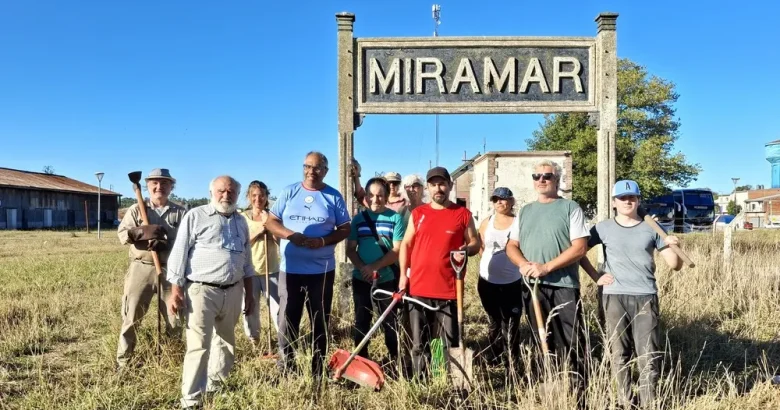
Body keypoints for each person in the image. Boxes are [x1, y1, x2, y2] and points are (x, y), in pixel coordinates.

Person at [579, 180, 683, 409]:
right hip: (614, 296)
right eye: (622, 198)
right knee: (619, 353)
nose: (627, 201)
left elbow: (674, 265)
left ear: (638, 200)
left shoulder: (653, 228)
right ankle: (625, 401)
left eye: (632, 197)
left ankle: (648, 403)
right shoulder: (602, 228)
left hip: (645, 295)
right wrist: (596, 277)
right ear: (614, 202)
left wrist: (674, 244)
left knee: (648, 354)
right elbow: (578, 251)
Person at [166, 175, 255, 409]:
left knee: (225, 343)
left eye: (231, 192)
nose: (226, 195)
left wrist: (250, 295)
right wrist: (176, 290)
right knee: (199, 346)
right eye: (221, 191)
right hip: (201, 291)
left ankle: (217, 387)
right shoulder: (196, 216)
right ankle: (191, 399)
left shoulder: (241, 221)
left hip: (233, 291)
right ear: (211, 193)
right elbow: (179, 253)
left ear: (238, 194)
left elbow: (247, 261)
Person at [505, 159, 590, 401]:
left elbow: (580, 247)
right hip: (532, 287)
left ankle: (578, 393)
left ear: (557, 180)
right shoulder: (525, 211)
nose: (541, 180)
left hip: (563, 285)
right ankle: (549, 386)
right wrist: (523, 264)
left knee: (571, 340)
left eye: (547, 176)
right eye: (537, 176)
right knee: (541, 338)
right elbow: (511, 245)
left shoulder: (570, 207)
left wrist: (547, 267)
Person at [264, 151, 351, 382]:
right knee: (287, 320)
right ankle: (287, 369)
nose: (311, 171)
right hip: (290, 270)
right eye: (307, 166)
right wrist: (290, 235)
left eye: (317, 167)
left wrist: (323, 241)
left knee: (319, 320)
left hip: (321, 271)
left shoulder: (333, 196)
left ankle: (318, 369)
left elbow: (345, 228)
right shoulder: (289, 192)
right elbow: (271, 221)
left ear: (325, 171)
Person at [397, 166, 480, 378]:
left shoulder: (463, 214)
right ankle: (420, 381)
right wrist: (403, 276)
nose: (438, 189)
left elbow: (475, 243)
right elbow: (406, 244)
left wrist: (466, 249)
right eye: (433, 185)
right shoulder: (418, 214)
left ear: (450, 185)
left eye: (442, 184)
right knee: (419, 342)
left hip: (449, 290)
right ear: (427, 187)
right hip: (418, 289)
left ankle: (440, 379)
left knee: (444, 343)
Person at [115, 168, 186, 369]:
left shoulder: (181, 212)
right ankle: (124, 363)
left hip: (171, 271)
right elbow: (122, 235)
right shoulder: (137, 209)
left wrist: (166, 242)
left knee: (175, 318)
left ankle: (173, 360)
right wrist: (140, 233)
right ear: (147, 185)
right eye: (154, 183)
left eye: (164, 183)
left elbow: (188, 241)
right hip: (141, 268)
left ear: (171, 187)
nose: (159, 187)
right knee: (132, 317)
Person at [345, 177, 405, 368]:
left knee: (390, 323)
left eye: (380, 195)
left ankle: (395, 362)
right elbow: (350, 249)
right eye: (371, 195)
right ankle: (361, 362)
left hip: (386, 279)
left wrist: (374, 267)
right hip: (361, 279)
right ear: (366, 197)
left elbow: (397, 250)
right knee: (361, 322)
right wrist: (364, 268)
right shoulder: (358, 220)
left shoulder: (395, 218)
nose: (375, 199)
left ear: (386, 196)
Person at [476, 187, 523, 370]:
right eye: (495, 200)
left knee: (511, 322)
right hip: (487, 281)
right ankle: (494, 357)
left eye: (503, 199)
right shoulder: (487, 222)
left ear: (511, 201)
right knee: (494, 320)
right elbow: (480, 244)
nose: (499, 203)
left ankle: (512, 361)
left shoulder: (518, 222)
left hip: (512, 281)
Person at [239, 180, 281, 344]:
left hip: (271, 269)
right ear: (249, 197)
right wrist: (260, 230)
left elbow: (280, 241)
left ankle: (282, 340)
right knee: (251, 306)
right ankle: (254, 340)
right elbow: (241, 243)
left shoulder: (273, 216)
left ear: (266, 196)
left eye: (262, 195)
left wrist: (270, 227)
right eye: (254, 195)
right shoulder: (242, 218)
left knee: (278, 308)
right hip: (249, 270)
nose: (258, 199)